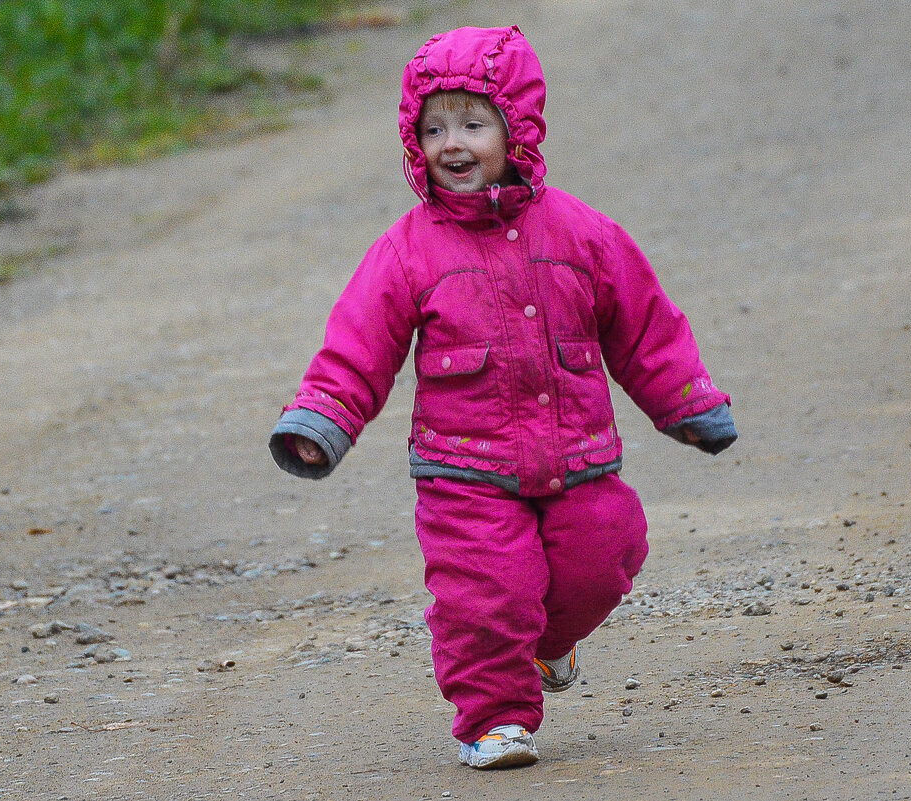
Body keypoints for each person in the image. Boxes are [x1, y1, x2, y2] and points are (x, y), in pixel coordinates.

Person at [268, 25, 736, 770]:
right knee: (486, 597)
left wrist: (684, 400)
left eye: (472, 123)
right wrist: (323, 416)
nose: (451, 143)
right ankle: (493, 718)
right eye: (433, 127)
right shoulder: (407, 250)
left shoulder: (583, 234)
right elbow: (359, 342)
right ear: (412, 137)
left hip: (578, 456)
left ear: (517, 128)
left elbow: (643, 326)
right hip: (463, 471)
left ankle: (550, 644)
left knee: (608, 549)